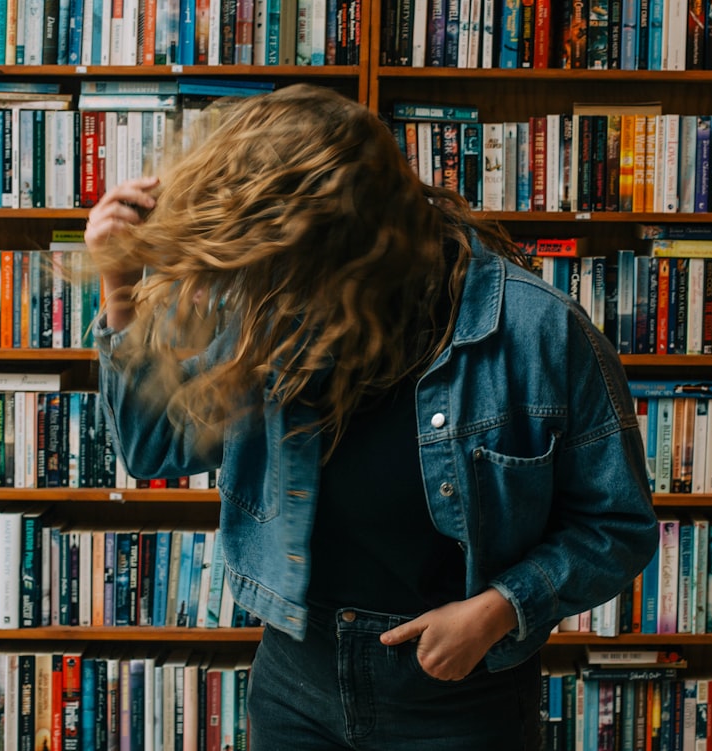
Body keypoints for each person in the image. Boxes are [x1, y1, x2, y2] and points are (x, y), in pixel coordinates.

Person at [86, 83, 659, 750]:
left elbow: (617, 524)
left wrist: (499, 608)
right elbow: (154, 448)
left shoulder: (538, 332)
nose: (270, 291)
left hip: (459, 697)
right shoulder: (273, 306)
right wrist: (120, 291)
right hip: (297, 682)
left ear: (360, 243)